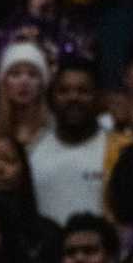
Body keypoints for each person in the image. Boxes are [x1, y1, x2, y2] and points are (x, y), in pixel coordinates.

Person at [28, 60, 117, 229]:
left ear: (99, 97)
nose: (73, 98)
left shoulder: (118, 149)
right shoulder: (32, 149)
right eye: (63, 91)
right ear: (51, 98)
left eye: (83, 91)